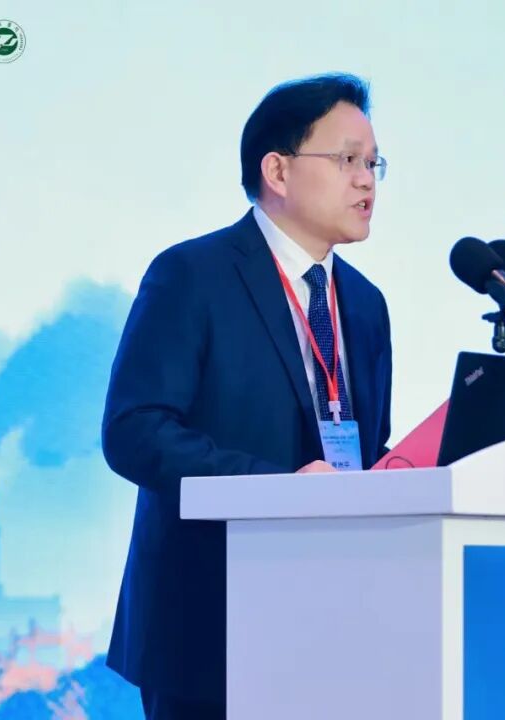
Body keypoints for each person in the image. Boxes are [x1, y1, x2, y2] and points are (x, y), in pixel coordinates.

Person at [101, 73, 393, 720]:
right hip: (211, 624)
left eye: (374, 164)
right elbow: (135, 431)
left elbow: (363, 447)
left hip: (336, 626)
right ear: (278, 170)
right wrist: (279, 488)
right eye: (348, 160)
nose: (366, 181)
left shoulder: (366, 305)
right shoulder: (193, 275)